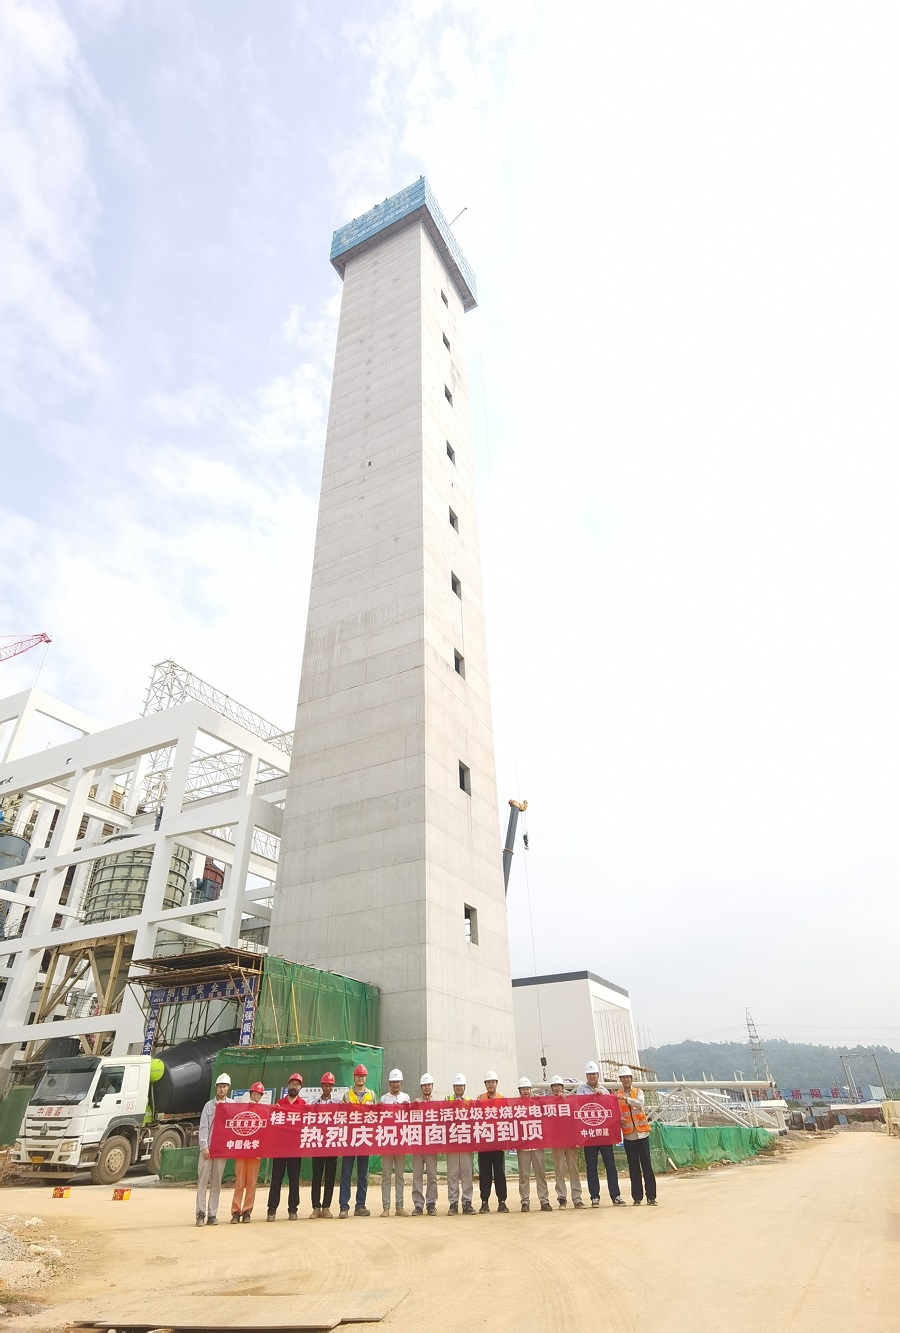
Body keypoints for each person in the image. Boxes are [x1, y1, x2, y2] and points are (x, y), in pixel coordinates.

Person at [576, 1060, 625, 1208]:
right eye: (589, 1074)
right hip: (589, 1135)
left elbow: (610, 1109)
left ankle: (615, 1195)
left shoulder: (605, 1091)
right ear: (586, 1076)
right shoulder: (581, 1090)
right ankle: (594, 1197)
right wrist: (593, 1096)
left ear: (598, 1075)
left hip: (604, 1134)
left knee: (610, 1166)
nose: (592, 1076)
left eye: (594, 1074)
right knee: (591, 1167)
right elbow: (578, 1105)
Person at [339, 1063, 375, 1218]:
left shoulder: (371, 1095)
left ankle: (360, 1205)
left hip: (364, 1138)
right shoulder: (347, 1095)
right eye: (358, 1075)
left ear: (365, 1078)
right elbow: (340, 1115)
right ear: (354, 1077)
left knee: (363, 1175)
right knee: (346, 1173)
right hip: (349, 1139)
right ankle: (344, 1206)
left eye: (363, 1076)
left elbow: (377, 1115)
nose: (360, 1078)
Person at [266, 1072, 304, 1221]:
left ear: (300, 1087)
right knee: (276, 1179)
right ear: (287, 1086)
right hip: (279, 1149)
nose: (294, 1086)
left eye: (297, 1084)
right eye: (292, 1084)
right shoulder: (279, 1104)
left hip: (295, 1149)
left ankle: (293, 1209)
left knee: (294, 1180)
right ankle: (272, 1210)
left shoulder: (304, 1105)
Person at [617, 1066, 657, 1206]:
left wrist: (626, 1099)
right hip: (629, 1136)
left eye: (628, 1077)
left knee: (647, 1166)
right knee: (633, 1168)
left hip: (642, 1134)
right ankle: (637, 1197)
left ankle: (651, 1196)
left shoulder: (638, 1092)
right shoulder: (617, 1096)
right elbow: (616, 1113)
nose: (626, 1080)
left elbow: (640, 1104)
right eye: (623, 1077)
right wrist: (619, 1119)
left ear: (631, 1079)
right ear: (620, 1080)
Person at [196, 1073, 231, 1226]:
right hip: (208, 1150)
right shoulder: (208, 1106)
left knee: (216, 1183)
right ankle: (200, 1214)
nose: (222, 1089)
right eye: (220, 1086)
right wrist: (204, 1147)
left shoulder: (232, 1105)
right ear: (216, 1088)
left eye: (224, 1086)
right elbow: (204, 1127)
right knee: (202, 1182)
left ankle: (212, 1215)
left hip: (221, 1151)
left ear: (228, 1088)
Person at [231, 1081, 265, 1223]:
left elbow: (265, 1132)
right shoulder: (241, 1109)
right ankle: (235, 1211)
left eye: (258, 1095)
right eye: (254, 1094)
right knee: (239, 1182)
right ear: (250, 1094)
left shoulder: (263, 1111)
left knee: (251, 1183)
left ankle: (247, 1211)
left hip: (255, 1151)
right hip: (241, 1150)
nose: (256, 1096)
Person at [515, 1077, 551, 1212]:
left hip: (537, 1145)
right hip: (523, 1147)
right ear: (519, 1090)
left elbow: (549, 1112)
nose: (525, 1091)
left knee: (540, 1174)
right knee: (524, 1176)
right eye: (523, 1089)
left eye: (527, 1089)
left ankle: (544, 1200)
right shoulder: (515, 1106)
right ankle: (525, 1201)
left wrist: (540, 1101)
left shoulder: (536, 1103)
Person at [548, 1075, 583, 1208]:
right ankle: (561, 1197)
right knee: (559, 1169)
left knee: (573, 1169)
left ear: (562, 1087)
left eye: (559, 1085)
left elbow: (577, 1120)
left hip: (571, 1140)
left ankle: (577, 1198)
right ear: (551, 1088)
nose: (557, 1088)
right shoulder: (548, 1102)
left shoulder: (571, 1101)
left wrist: (578, 1138)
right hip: (557, 1141)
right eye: (554, 1086)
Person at [476, 1070, 509, 1213]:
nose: (491, 1084)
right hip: (484, 1143)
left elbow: (508, 1119)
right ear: (485, 1084)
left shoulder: (503, 1098)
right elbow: (475, 1119)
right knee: (485, 1173)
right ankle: (484, 1202)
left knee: (499, 1173)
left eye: (493, 1082)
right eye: (488, 1082)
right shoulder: (480, 1099)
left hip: (498, 1143)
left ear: (496, 1083)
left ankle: (502, 1202)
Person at [380, 1068, 410, 1216]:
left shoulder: (406, 1098)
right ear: (389, 1083)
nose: (395, 1084)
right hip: (387, 1142)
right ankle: (386, 1207)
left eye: (397, 1082)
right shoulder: (384, 1099)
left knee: (399, 1176)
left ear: (401, 1083)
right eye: (393, 1082)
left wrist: (409, 1106)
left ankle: (399, 1206)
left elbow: (410, 1117)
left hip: (400, 1142)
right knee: (386, 1175)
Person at [446, 1074, 476, 1215]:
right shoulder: (447, 1100)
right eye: (456, 1085)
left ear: (464, 1087)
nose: (459, 1088)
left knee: (466, 1174)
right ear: (453, 1087)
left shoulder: (470, 1101)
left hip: (465, 1143)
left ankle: (467, 1203)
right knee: (452, 1174)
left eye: (461, 1086)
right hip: (452, 1143)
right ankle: (453, 1204)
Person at [311, 1072, 339, 1218]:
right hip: (317, 1144)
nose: (327, 1088)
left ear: (332, 1087)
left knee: (330, 1177)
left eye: (330, 1085)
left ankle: (326, 1207)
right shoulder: (314, 1103)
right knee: (316, 1177)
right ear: (321, 1086)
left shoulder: (337, 1103)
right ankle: (316, 1207)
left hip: (332, 1144)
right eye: (325, 1085)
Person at [411, 1073, 438, 1217]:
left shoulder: (438, 1105)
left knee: (432, 1175)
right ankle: (418, 1204)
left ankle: (431, 1203)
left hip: (431, 1146)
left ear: (432, 1087)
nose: (427, 1087)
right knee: (417, 1175)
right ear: (421, 1087)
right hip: (417, 1145)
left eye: (429, 1085)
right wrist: (413, 1106)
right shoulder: (416, 1103)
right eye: (424, 1085)